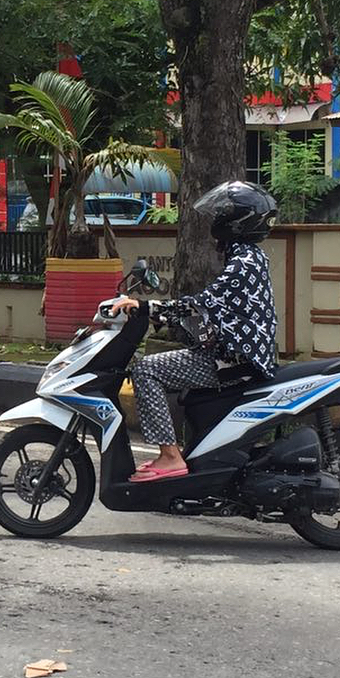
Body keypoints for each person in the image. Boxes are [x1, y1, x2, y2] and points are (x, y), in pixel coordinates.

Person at [110, 181, 279, 483]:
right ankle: (187, 453)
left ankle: (171, 457)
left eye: (222, 215)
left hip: (233, 361)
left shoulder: (243, 263)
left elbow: (199, 305)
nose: (216, 221)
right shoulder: (249, 257)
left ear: (236, 222)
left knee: (147, 369)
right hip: (234, 354)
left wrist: (146, 309)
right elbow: (216, 311)